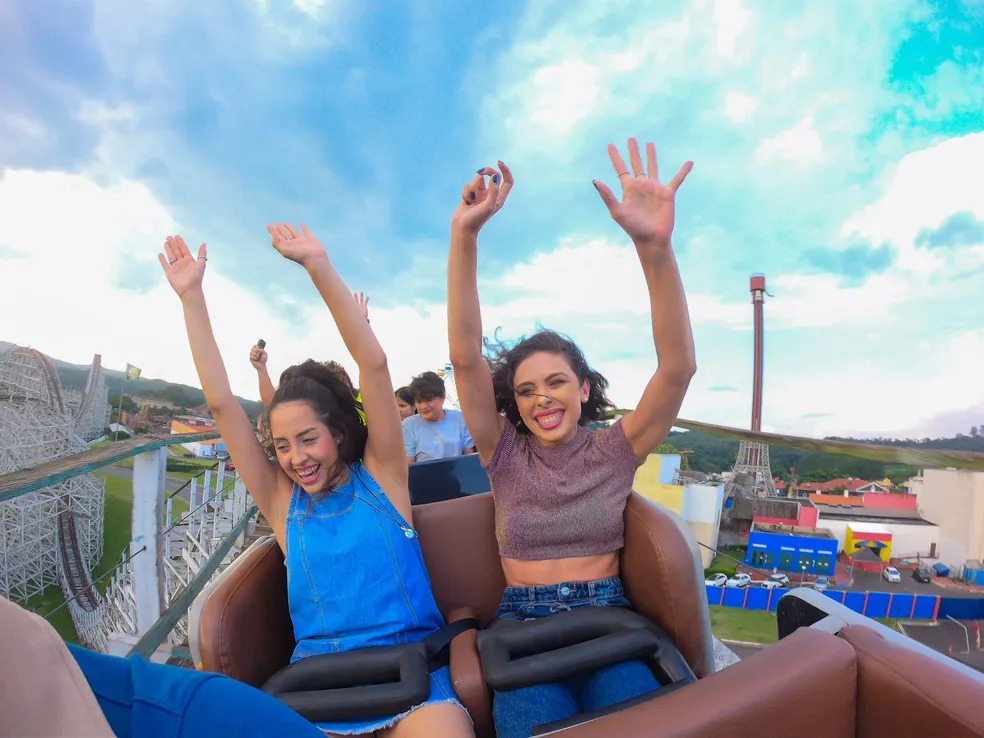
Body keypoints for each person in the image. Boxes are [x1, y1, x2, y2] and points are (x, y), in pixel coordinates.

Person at [160, 225, 473, 737]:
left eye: (308, 439)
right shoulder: (284, 505)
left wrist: (318, 266)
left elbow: (374, 365)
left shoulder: (382, 478)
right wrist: (192, 298)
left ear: (339, 433)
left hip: (412, 674)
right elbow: (221, 405)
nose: (296, 458)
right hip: (321, 685)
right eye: (283, 446)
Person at [446, 138, 696, 738]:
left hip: (606, 615)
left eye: (556, 383)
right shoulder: (504, 453)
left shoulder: (615, 450)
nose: (542, 399)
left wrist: (655, 250)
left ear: (584, 389)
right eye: (527, 390)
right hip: (524, 624)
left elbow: (677, 369)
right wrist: (464, 235)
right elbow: (466, 358)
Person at [402, 371, 476, 464]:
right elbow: (408, 464)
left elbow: (470, 457)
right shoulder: (408, 425)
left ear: (442, 397)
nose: (423, 406)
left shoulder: (459, 418)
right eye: (419, 401)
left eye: (428, 400)